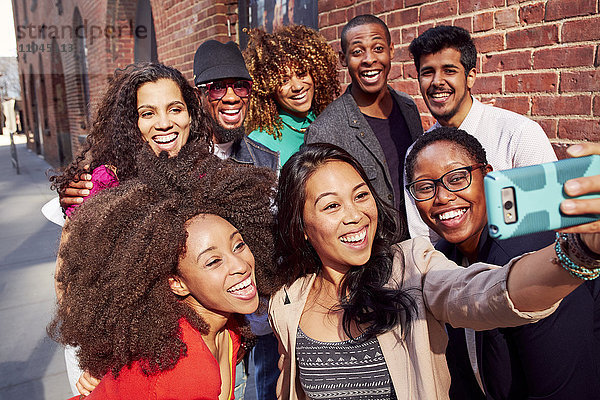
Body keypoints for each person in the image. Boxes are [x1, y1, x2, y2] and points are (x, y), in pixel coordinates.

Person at [268, 141, 600, 399]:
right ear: (302, 227)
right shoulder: (287, 303)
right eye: (331, 205)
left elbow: (485, 292)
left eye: (360, 195)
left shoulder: (411, 266)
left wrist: (582, 251)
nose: (355, 215)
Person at [49, 146, 276, 399]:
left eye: (239, 245)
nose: (240, 265)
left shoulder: (229, 327)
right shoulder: (185, 374)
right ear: (177, 283)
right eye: (213, 261)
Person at [405, 127, 600, 399]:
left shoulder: (530, 253)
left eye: (458, 178)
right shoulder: (443, 258)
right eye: (425, 187)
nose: (443, 197)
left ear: (487, 176)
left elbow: (565, 388)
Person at [405, 25, 557, 240]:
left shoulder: (517, 134)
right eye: (427, 72)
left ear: (470, 77)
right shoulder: (417, 154)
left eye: (449, 70)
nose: (437, 82)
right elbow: (424, 239)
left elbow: (548, 220)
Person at [305, 14, 423, 216]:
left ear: (391, 51)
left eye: (378, 49)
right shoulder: (325, 131)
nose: (369, 59)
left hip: (421, 239)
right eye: (358, 51)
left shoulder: (408, 107)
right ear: (344, 59)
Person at [244, 25, 340, 166]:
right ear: (268, 88)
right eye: (284, 80)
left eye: (301, 74)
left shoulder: (330, 121)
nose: (297, 86)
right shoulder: (259, 143)